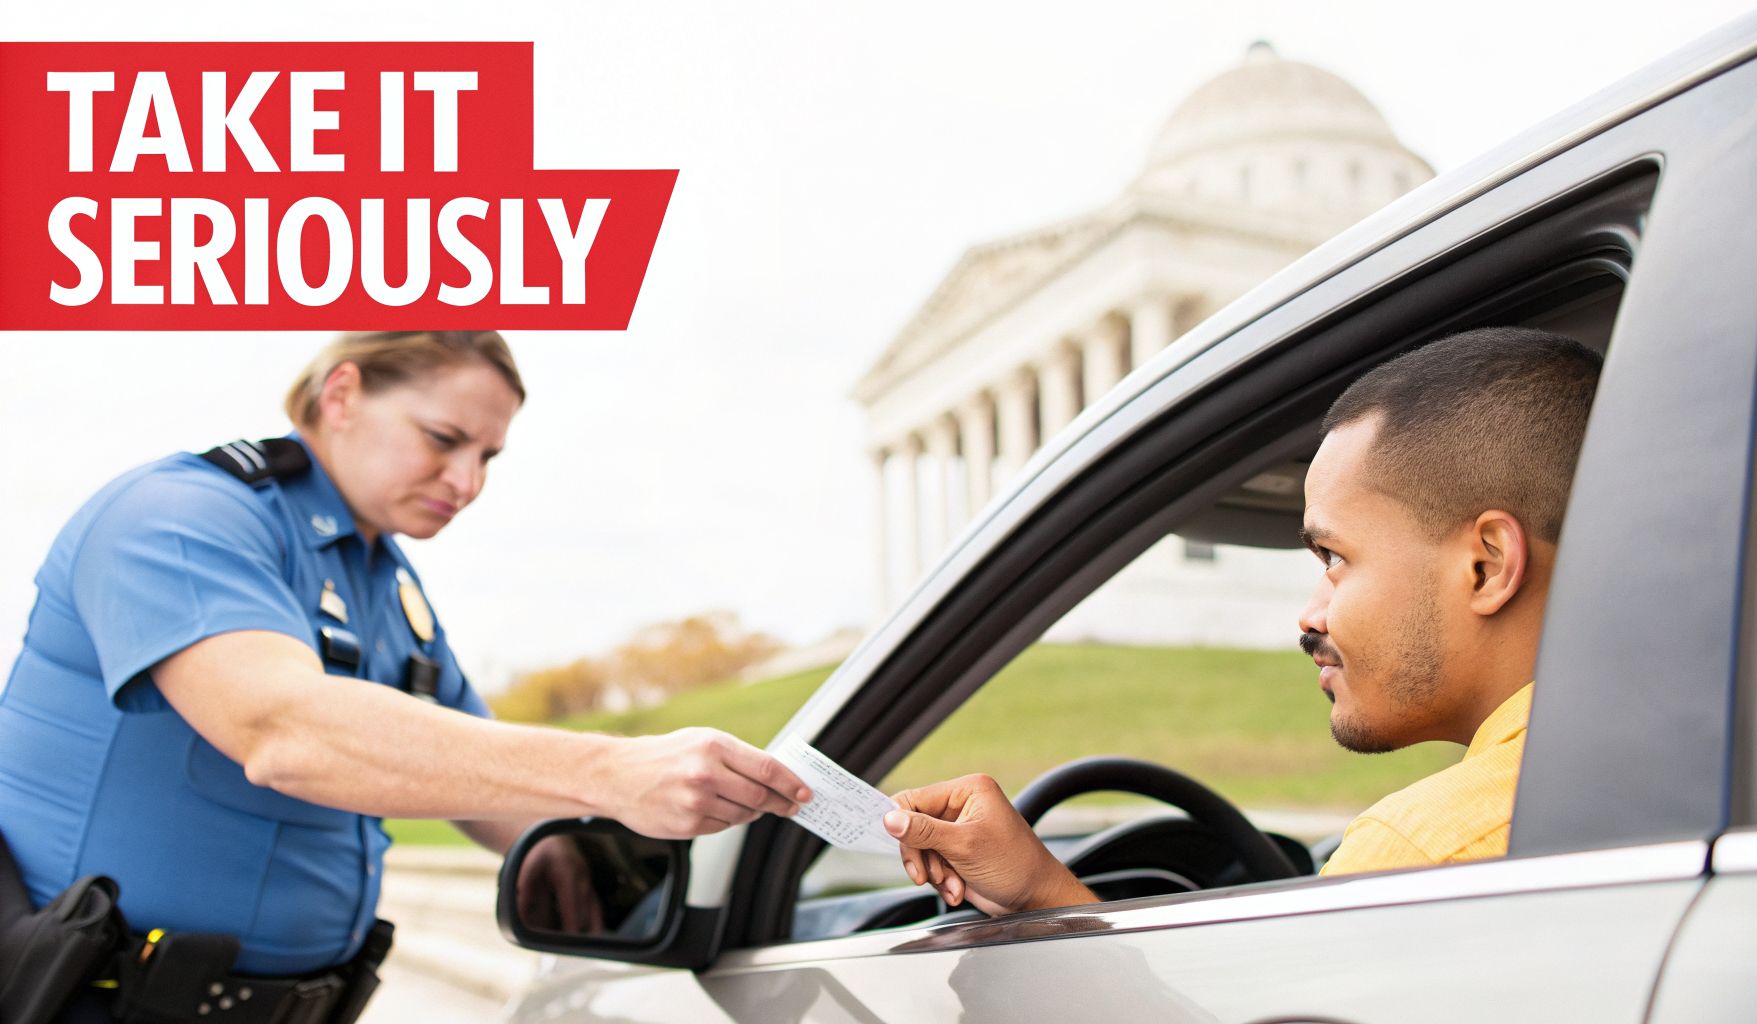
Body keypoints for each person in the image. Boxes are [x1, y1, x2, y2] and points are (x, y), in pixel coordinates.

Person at [0, 331, 811, 1017]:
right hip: (94, 999)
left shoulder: (387, 582)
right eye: (443, 439)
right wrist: (610, 769)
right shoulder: (179, 517)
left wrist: (657, 838)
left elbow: (487, 775)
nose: (469, 484)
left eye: (488, 455)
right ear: (343, 394)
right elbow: (284, 733)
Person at [880, 327, 1601, 914]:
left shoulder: (1426, 853)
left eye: (1334, 557)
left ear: (1486, 564)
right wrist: (1043, 889)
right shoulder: (1649, 768)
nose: (1310, 614)